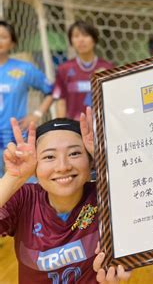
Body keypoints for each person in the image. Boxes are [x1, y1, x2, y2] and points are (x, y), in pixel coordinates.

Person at [0, 113, 129, 283]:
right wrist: (13, 177)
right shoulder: (24, 198)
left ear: (90, 160)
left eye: (74, 153)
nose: (63, 167)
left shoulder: (106, 196)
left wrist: (106, 161)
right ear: (35, 165)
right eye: (49, 157)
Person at [0, 21, 53, 178]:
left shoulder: (24, 69)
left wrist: (36, 114)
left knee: (23, 183)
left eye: (3, 37)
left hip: (15, 135)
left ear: (13, 42)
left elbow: (53, 91)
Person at [53, 21, 114, 121]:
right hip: (75, 129)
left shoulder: (108, 68)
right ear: (71, 41)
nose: (81, 40)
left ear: (94, 39)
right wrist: (63, 128)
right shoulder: (64, 69)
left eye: (85, 35)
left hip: (103, 126)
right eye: (76, 36)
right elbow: (61, 101)